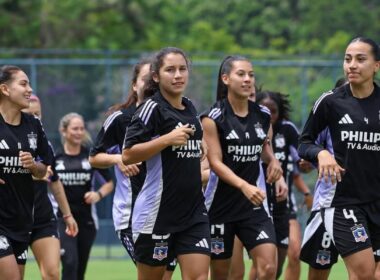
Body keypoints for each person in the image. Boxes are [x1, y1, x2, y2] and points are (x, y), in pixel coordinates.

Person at [122, 47, 211, 280]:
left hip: (193, 212)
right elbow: (128, 154)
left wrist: (201, 144)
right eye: (170, 70)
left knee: (200, 277)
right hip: (157, 214)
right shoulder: (151, 109)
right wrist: (167, 139)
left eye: (182, 69)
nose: (178, 75)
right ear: (156, 76)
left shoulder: (190, 106)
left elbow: (192, 140)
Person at [298, 37, 380, 280]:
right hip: (343, 202)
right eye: (347, 59)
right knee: (364, 273)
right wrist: (321, 153)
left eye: (360, 59)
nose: (352, 65)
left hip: (376, 201)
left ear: (376, 65)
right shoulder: (330, 102)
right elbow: (304, 143)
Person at [89, 58, 178, 279]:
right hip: (131, 215)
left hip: (168, 212)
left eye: (152, 79)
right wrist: (118, 159)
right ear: (134, 85)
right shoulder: (120, 120)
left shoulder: (170, 116)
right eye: (144, 79)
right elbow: (94, 157)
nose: (149, 84)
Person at [202, 55, 284, 280]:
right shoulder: (213, 117)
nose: (248, 79)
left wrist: (274, 162)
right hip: (219, 206)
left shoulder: (263, 115)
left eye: (251, 74)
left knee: (268, 267)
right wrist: (244, 186)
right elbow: (216, 163)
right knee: (221, 275)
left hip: (253, 206)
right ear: (226, 78)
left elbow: (264, 148)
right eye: (241, 74)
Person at [0, 65, 51, 280]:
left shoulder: (33, 125)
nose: (29, 89)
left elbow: (43, 170)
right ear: (5, 89)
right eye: (23, 84)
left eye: (29, 83)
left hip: (21, 220)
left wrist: (33, 166)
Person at [23, 95, 78, 280]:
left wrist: (67, 215)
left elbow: (55, 181)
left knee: (53, 274)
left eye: (38, 114)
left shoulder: (43, 144)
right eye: (29, 113)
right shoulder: (7, 140)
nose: (35, 118)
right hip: (12, 218)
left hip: (43, 218)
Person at [55, 112, 114, 280]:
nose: (79, 132)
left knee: (79, 269)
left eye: (81, 128)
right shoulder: (56, 157)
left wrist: (98, 194)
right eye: (75, 128)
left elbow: (110, 183)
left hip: (87, 220)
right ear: (64, 131)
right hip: (63, 219)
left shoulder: (91, 157)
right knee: (70, 262)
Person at [299, 77, 348, 280]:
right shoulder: (326, 123)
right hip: (328, 203)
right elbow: (306, 153)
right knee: (320, 269)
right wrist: (314, 158)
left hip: (367, 203)